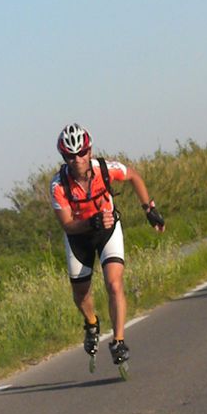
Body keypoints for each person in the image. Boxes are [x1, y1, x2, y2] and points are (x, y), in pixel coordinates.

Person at [50, 123, 165, 366]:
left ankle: (119, 341)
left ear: (89, 151)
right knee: (81, 295)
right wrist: (92, 221)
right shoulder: (58, 185)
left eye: (82, 153)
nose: (77, 159)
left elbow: (133, 176)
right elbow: (68, 225)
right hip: (79, 236)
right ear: (64, 157)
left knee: (114, 284)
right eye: (70, 156)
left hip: (108, 230)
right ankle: (91, 323)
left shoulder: (105, 168)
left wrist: (149, 209)